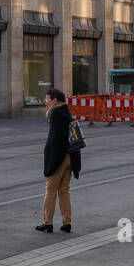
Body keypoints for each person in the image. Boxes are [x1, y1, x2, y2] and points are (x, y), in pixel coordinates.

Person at [36, 87, 81, 234]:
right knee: (64, 191)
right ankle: (66, 222)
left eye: (47, 98)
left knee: (51, 190)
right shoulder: (67, 112)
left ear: (54, 100)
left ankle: (47, 223)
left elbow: (55, 141)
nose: (45, 101)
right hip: (70, 157)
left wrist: (51, 162)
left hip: (59, 157)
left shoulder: (55, 114)